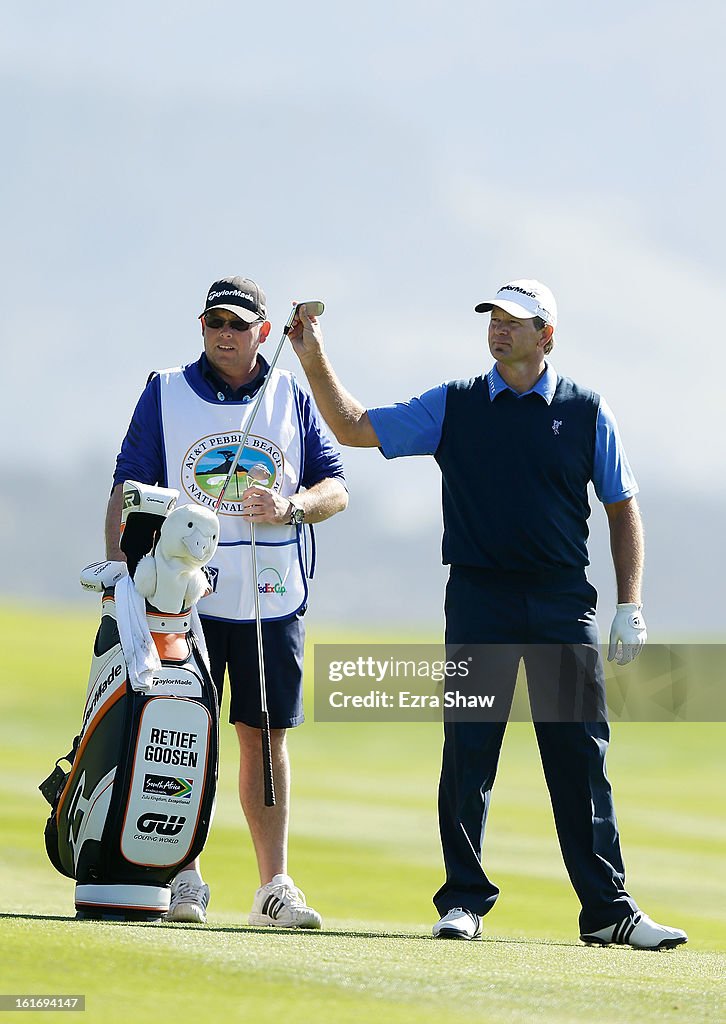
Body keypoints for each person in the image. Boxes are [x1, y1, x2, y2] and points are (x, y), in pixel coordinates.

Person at [289, 279, 687, 950]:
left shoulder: (588, 412)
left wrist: (632, 605)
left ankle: (607, 912)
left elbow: (623, 507)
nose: (499, 329)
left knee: (579, 759)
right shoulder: (456, 405)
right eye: (494, 318)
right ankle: (463, 902)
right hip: (480, 600)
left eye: (516, 321)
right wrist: (312, 355)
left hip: (564, 603)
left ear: (547, 337)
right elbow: (353, 427)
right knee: (470, 752)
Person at [106, 276, 348, 926]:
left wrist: (291, 506)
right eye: (215, 322)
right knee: (187, 736)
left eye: (238, 324)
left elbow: (336, 488)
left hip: (272, 598)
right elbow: (127, 487)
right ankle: (184, 875)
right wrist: (122, 580)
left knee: (264, 738)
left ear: (263, 332)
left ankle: (274, 887)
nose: (225, 333)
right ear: (202, 326)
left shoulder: (290, 394)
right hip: (188, 601)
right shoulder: (165, 390)